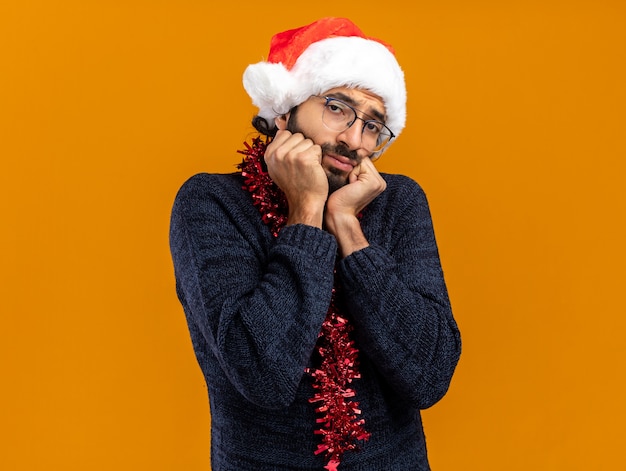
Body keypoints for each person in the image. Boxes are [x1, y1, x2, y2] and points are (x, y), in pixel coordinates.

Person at [169, 17, 461, 471]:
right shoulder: (210, 202)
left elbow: (429, 374)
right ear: (284, 111)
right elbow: (262, 374)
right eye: (337, 108)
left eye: (372, 127)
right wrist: (306, 211)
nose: (352, 140)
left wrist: (346, 225)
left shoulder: (398, 202)